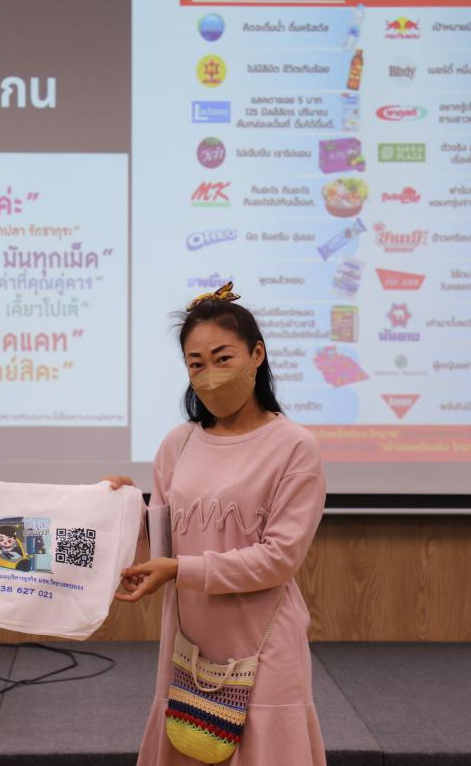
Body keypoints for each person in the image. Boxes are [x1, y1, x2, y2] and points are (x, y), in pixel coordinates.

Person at [106, 282, 327, 766]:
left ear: (256, 355)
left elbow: (278, 559)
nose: (210, 376)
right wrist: (122, 509)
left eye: (223, 358)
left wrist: (181, 570)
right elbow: (162, 542)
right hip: (188, 642)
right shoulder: (178, 443)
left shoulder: (294, 446)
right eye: (196, 364)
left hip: (265, 646)